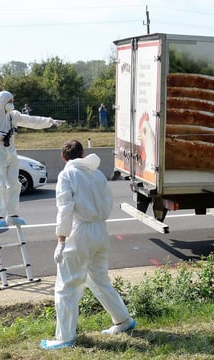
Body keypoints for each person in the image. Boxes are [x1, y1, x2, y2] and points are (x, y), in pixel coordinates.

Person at [40, 140, 135, 350]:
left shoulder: (67, 175)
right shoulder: (97, 174)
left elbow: (64, 208)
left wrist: (61, 240)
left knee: (67, 286)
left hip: (80, 231)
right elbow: (108, 202)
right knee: (99, 279)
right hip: (100, 230)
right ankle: (123, 320)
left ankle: (65, 337)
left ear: (63, 157)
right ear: (83, 154)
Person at [0, 90, 65, 228]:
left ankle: (12, 214)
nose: (12, 104)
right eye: (9, 101)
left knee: (15, 184)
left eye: (12, 101)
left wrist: (50, 122)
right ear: (2, 101)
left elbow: (31, 120)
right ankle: (0, 215)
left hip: (11, 150)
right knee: (0, 184)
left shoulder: (13, 116)